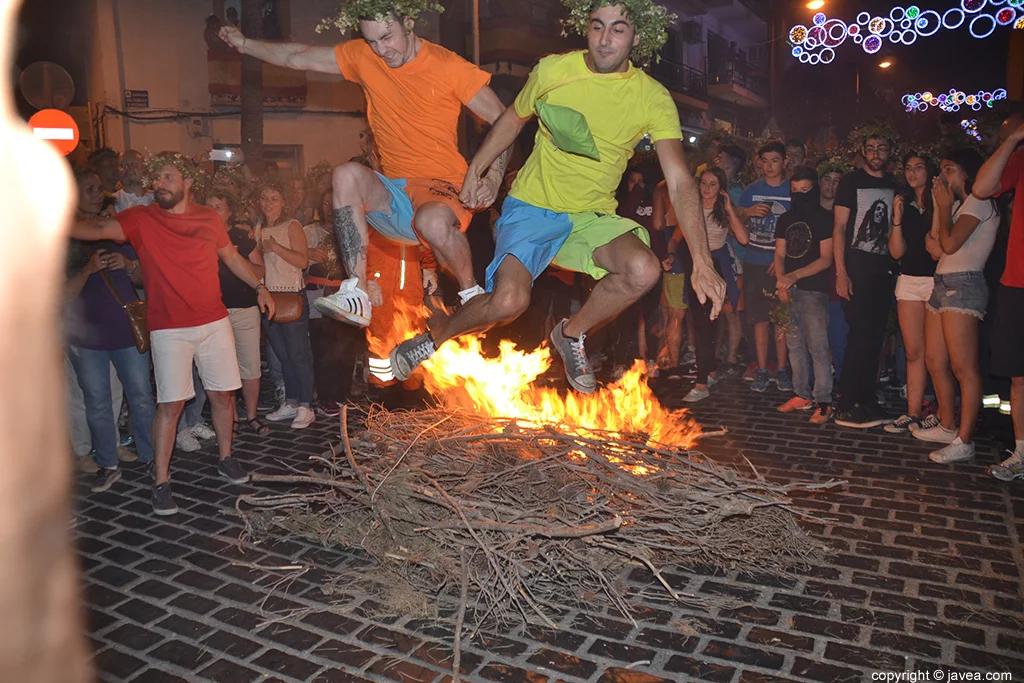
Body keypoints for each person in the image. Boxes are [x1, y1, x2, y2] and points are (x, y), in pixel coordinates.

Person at [387, 0, 726, 392]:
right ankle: (434, 339)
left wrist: (701, 260)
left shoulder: (652, 98)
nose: (604, 39)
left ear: (637, 36)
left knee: (644, 269)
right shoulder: (553, 70)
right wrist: (477, 168)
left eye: (618, 29)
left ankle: (571, 334)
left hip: (590, 217)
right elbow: (513, 117)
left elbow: (681, 180)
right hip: (533, 206)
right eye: (597, 26)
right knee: (508, 302)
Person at [218, 2, 510, 328]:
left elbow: (503, 119)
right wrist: (244, 44)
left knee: (431, 221)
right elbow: (297, 56)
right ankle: (355, 291)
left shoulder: (447, 65)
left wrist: (493, 178)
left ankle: (471, 293)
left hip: (442, 190)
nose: (381, 50)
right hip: (394, 196)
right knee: (345, 174)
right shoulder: (363, 57)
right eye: (372, 41)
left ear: (409, 23)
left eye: (387, 37)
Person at [69, 152, 275, 516]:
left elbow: (231, 258)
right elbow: (96, 230)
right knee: (171, 406)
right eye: (156, 179)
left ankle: (226, 458)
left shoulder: (208, 218)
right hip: (169, 329)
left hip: (214, 323)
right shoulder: (141, 219)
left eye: (167, 177)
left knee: (224, 397)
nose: (159, 184)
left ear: (187, 182)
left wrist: (259, 287)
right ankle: (161, 480)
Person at [65, 168, 155, 492]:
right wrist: (88, 269)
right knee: (97, 402)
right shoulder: (66, 238)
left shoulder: (119, 230)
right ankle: (107, 462)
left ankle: (150, 458)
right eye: (89, 188)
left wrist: (128, 265)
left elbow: (144, 279)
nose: (96, 193)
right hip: (87, 337)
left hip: (125, 330)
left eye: (99, 188)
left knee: (141, 396)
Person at [913, 149, 999, 463]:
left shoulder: (979, 201)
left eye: (949, 169)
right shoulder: (960, 205)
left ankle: (965, 439)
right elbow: (935, 246)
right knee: (935, 360)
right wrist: (941, 207)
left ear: (968, 172)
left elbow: (948, 245)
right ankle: (947, 424)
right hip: (942, 281)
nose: (943, 177)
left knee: (964, 367)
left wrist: (946, 205)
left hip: (965, 284)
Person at [833, 133, 897, 429]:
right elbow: (839, 228)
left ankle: (865, 399)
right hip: (855, 270)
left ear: (889, 151)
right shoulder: (851, 182)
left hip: (883, 273)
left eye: (881, 147)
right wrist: (841, 272)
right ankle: (849, 401)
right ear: (862, 152)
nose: (875, 153)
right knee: (859, 335)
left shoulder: (895, 184)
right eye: (870, 148)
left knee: (873, 338)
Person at [666, 167, 746, 402]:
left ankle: (701, 384)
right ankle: (709, 372)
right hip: (693, 268)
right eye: (703, 183)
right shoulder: (692, 210)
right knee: (702, 324)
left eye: (712, 184)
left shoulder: (723, 212)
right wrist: (671, 256)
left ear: (720, 188)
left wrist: (730, 208)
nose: (706, 188)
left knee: (705, 325)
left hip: (714, 269)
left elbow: (743, 239)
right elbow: (675, 238)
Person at [976, 119, 1024, 480]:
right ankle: (1021, 453)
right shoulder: (1021, 158)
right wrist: (1013, 139)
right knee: (1018, 376)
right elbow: (982, 187)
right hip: (1017, 282)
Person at [772, 166, 834, 423]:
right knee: (794, 345)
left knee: (817, 347)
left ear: (814, 189)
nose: (799, 196)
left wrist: (794, 276)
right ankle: (801, 394)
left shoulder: (824, 217)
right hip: (790, 289)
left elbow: (826, 259)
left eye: (805, 191)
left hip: (814, 290)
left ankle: (824, 401)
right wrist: (781, 283)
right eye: (794, 191)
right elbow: (779, 254)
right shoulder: (785, 219)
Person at [885, 153, 941, 434]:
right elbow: (896, 252)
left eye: (919, 167)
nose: (912, 173)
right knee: (913, 351)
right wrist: (896, 219)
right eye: (908, 168)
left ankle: (945, 413)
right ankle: (913, 412)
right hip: (908, 280)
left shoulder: (940, 202)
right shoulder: (903, 205)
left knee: (936, 354)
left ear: (929, 171)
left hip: (936, 280)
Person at [207, 190, 269, 435]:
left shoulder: (241, 235)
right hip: (214, 312)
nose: (214, 211)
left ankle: (251, 416)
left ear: (229, 211)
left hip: (245, 309)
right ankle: (230, 418)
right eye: (209, 206)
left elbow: (260, 270)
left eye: (219, 206)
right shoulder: (200, 236)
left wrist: (236, 259)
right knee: (225, 369)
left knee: (250, 366)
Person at [258, 181, 316, 429]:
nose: (268, 203)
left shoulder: (292, 226)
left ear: (284, 203)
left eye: (274, 198)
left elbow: (302, 261)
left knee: (298, 354)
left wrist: (276, 247)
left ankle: (306, 406)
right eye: (264, 198)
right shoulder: (258, 228)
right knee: (283, 356)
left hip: (291, 296)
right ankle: (291, 402)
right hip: (269, 298)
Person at [305, 189, 364, 415]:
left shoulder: (353, 231)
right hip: (320, 296)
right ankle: (326, 398)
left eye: (334, 202)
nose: (330, 207)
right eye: (326, 202)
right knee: (324, 350)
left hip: (347, 297)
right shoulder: (309, 231)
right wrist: (309, 252)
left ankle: (341, 396)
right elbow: (298, 259)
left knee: (346, 348)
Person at [740, 141, 791, 392]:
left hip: (780, 265)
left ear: (785, 161)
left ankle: (781, 369)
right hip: (755, 261)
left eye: (775, 160)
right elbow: (733, 219)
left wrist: (782, 259)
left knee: (781, 320)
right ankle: (761, 369)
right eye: (765, 161)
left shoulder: (792, 190)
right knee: (759, 319)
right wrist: (746, 212)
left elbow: (799, 230)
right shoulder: (751, 190)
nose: (769, 166)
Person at [819, 160, 849, 382]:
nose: (831, 185)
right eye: (827, 179)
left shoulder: (847, 216)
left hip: (835, 285)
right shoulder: (808, 210)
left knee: (839, 338)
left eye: (837, 181)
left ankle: (841, 382)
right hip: (812, 285)